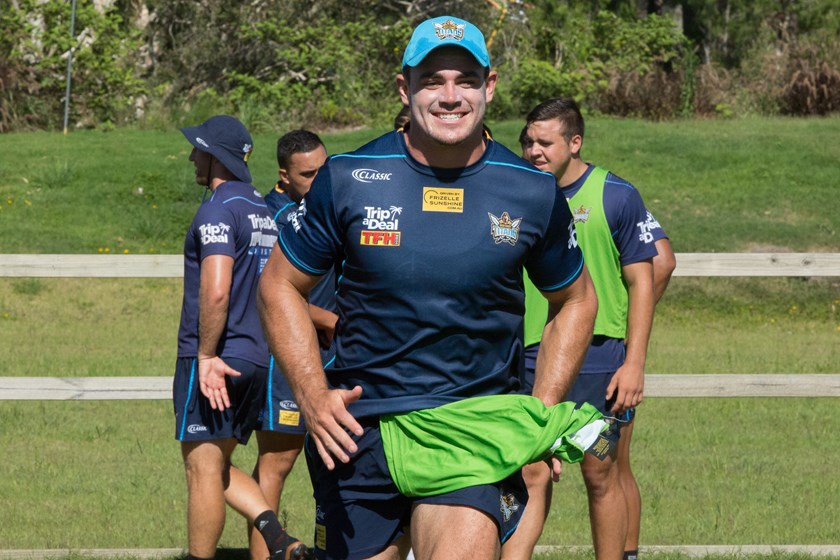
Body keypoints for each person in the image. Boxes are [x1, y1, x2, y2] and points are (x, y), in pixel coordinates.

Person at [257, 15, 598, 560]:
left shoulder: (532, 190)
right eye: (433, 80)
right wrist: (313, 395)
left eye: (466, 80)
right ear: (405, 88)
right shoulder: (347, 177)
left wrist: (542, 408)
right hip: (358, 431)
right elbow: (279, 285)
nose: (450, 96)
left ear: (489, 86)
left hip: (471, 428)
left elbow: (576, 298)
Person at [502, 98, 674, 560]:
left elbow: (645, 278)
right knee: (530, 470)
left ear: (575, 142)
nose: (534, 151)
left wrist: (633, 362)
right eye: (528, 142)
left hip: (598, 359)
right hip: (531, 356)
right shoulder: (516, 194)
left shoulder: (615, 195)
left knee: (600, 471)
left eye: (545, 142)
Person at [173, 115, 311, 560]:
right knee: (218, 464)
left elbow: (216, 289)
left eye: (198, 150)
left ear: (216, 156)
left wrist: (206, 355)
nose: (192, 157)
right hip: (258, 360)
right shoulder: (262, 210)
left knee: (202, 469)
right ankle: (277, 537)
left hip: (219, 358)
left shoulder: (218, 209)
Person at [249, 130, 336, 560]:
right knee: (278, 462)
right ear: (284, 175)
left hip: (330, 356)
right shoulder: (273, 219)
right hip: (284, 360)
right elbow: (269, 293)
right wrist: (328, 320)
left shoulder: (325, 209)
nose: (319, 181)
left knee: (333, 464)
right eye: (308, 174)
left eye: (324, 169)